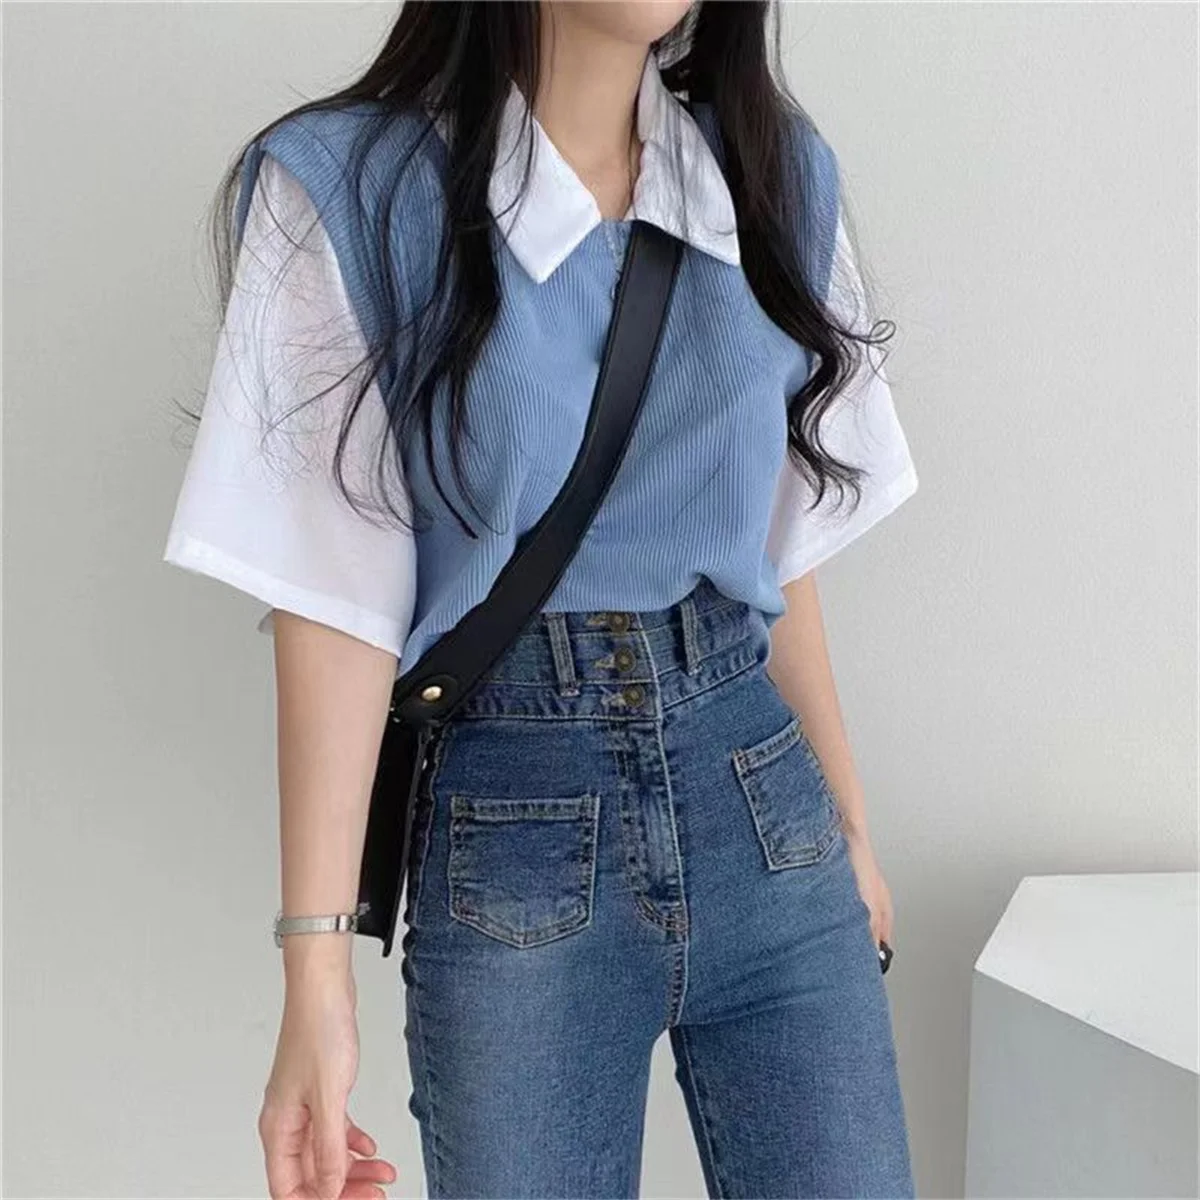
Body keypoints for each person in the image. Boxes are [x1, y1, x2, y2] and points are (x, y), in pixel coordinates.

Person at [163, 2, 920, 1197]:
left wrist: (853, 834)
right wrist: (316, 972)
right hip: (518, 831)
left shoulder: (775, 174)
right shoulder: (350, 193)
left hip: (767, 809)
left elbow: (778, 558)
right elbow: (333, 601)